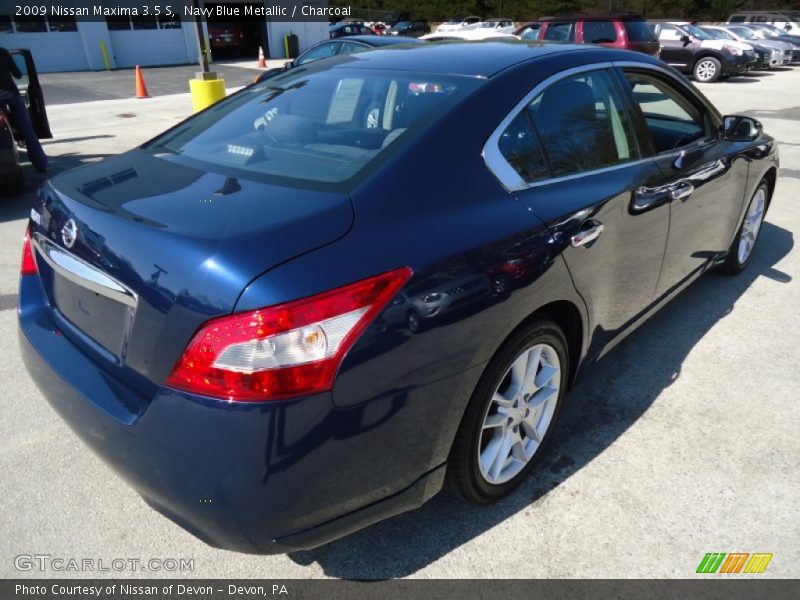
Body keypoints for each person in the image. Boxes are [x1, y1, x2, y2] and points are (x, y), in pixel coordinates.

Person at [0, 46, 47, 172]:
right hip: (12, 94)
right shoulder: (3, 52)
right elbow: (18, 75)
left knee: (4, 133)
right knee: (28, 131)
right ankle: (41, 165)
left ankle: (9, 166)